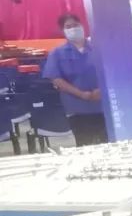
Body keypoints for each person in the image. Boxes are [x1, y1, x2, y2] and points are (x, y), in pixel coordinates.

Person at [42, 12, 107, 146]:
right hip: (77, 108)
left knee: (107, 144)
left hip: (103, 105)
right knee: (84, 144)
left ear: (82, 26)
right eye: (68, 27)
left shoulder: (100, 49)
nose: (73, 29)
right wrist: (82, 94)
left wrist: (102, 90)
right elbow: (56, 79)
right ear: (63, 31)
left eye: (76, 25)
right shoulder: (57, 53)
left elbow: (112, 72)